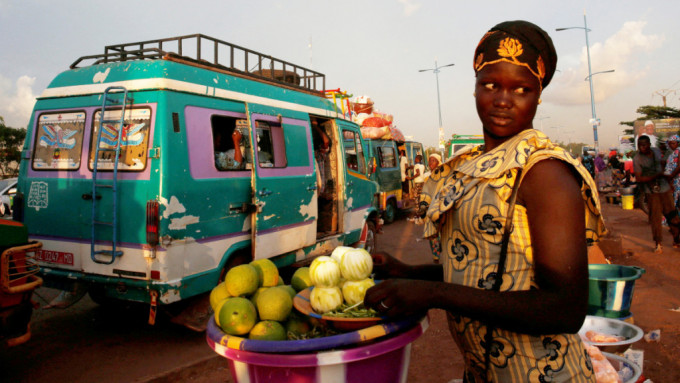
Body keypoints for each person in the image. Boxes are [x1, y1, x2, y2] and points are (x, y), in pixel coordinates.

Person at [364, 20, 606, 382]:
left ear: (538, 95)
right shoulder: (471, 166)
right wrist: (409, 272)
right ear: (475, 87)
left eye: (521, 89)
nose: (502, 100)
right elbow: (485, 270)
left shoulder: (543, 172)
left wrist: (432, 293)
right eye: (490, 84)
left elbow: (564, 309)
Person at [633, 135, 680, 253]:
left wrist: (666, 176)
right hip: (651, 191)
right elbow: (639, 178)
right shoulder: (637, 159)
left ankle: (677, 240)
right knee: (655, 217)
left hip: (664, 187)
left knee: (672, 214)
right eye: (640, 145)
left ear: (649, 144)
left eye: (644, 145)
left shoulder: (656, 151)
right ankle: (658, 243)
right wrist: (655, 176)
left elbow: (662, 163)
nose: (642, 148)